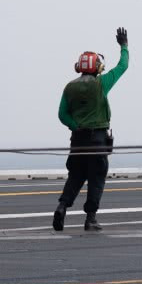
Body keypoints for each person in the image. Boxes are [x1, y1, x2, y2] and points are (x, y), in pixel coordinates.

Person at [53, 28, 129, 232]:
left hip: (77, 140)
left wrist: (75, 126)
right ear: (97, 67)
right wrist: (124, 46)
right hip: (98, 140)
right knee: (96, 178)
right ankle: (91, 218)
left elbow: (62, 114)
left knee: (76, 175)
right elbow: (123, 66)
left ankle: (62, 206)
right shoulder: (101, 83)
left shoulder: (70, 87)